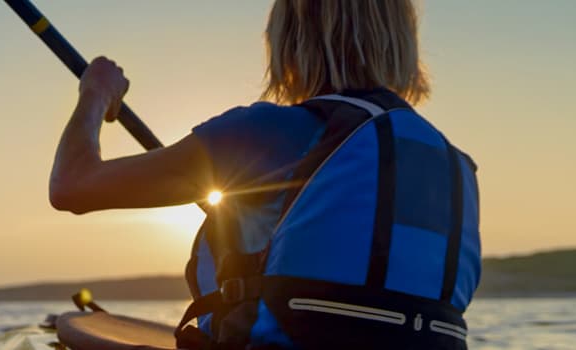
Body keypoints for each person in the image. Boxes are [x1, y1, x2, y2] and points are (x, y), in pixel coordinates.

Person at [48, 0, 480, 349]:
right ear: (403, 43)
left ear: (288, 40)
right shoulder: (456, 166)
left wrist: (95, 94)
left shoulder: (264, 132)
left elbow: (72, 186)